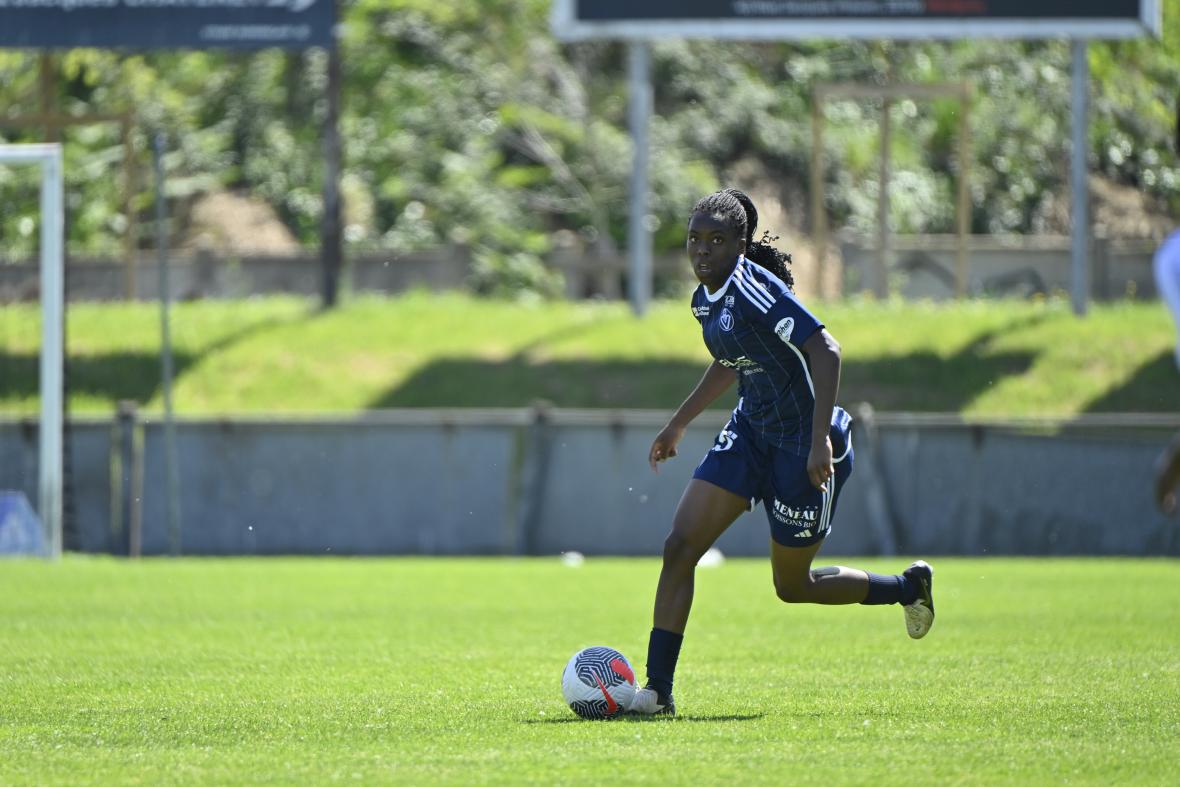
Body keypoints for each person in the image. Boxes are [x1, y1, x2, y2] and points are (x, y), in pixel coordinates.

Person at [628, 188, 935, 717]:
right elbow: (732, 361)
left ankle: (906, 587)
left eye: (716, 240)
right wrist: (678, 423)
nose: (702, 250)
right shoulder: (706, 298)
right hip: (750, 434)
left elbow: (827, 350)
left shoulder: (754, 290)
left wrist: (818, 443)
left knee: (792, 587)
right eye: (694, 239)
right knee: (680, 547)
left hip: (805, 445)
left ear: (740, 245)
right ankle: (657, 692)